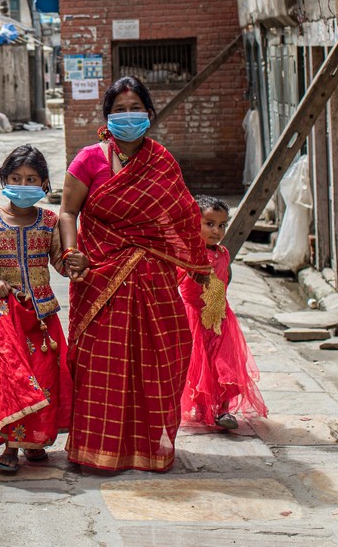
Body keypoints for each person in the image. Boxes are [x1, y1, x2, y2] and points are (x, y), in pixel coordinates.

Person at [58, 77, 214, 472]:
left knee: (162, 359)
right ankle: (96, 450)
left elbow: (180, 219)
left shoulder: (162, 161)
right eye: (120, 109)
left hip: (155, 282)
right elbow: (67, 212)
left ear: (149, 114)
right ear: (107, 117)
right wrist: (71, 251)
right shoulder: (88, 160)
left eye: (135, 108)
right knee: (99, 366)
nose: (128, 116)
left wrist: (199, 268)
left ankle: (148, 448)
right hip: (99, 277)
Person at [0, 145, 73, 473]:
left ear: (43, 183)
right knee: (10, 380)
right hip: (2, 316)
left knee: (42, 377)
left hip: (41, 315)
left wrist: (75, 260)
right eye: (15, 178)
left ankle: (34, 441)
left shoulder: (50, 222)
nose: (23, 184)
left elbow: (60, 263)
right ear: (3, 179)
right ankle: (11, 445)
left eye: (31, 179)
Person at [179, 196, 268, 430]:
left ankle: (224, 411)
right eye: (209, 224)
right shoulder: (187, 254)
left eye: (222, 225)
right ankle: (202, 410)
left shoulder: (224, 254)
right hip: (194, 319)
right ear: (193, 223)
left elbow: (225, 280)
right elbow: (175, 282)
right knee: (199, 368)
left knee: (225, 365)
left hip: (221, 319)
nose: (217, 231)